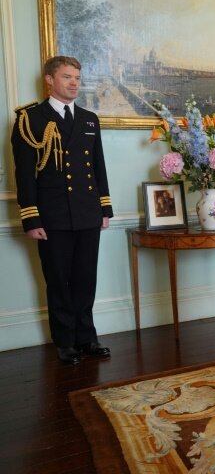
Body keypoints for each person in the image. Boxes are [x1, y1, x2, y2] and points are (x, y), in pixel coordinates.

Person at [11, 56, 114, 365]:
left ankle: (87, 337)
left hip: (86, 212)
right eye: (67, 77)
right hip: (52, 215)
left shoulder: (88, 119)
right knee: (58, 281)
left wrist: (104, 208)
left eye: (77, 78)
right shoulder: (31, 119)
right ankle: (65, 341)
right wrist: (31, 216)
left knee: (85, 279)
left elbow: (98, 167)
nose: (74, 83)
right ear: (50, 80)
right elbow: (25, 173)